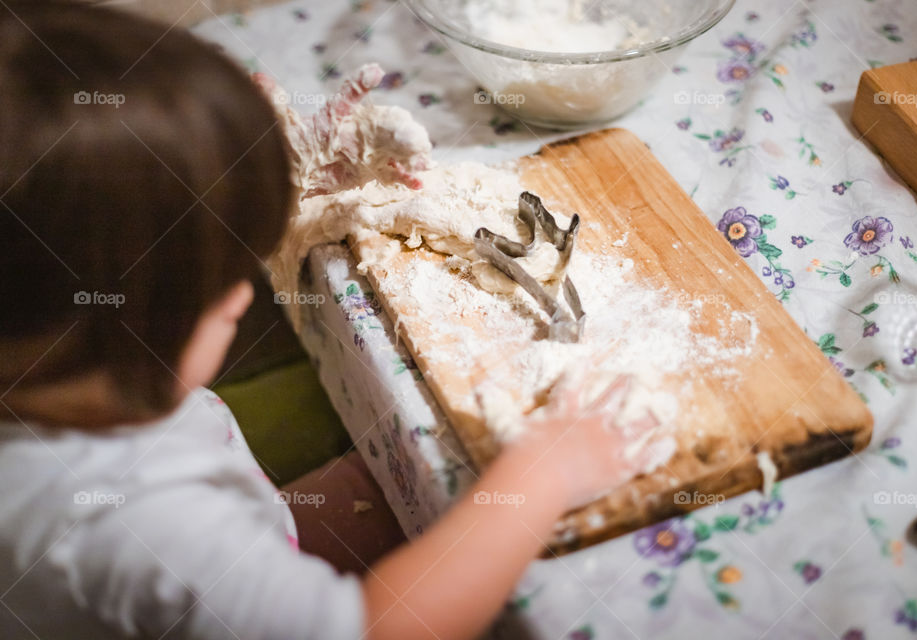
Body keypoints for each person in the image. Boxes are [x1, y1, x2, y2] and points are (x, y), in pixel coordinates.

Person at [0, 3, 660, 639]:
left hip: (247, 535)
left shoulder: (43, 362)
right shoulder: (138, 527)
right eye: (223, 285)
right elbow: (377, 629)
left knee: (410, 478)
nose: (240, 297)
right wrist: (544, 474)